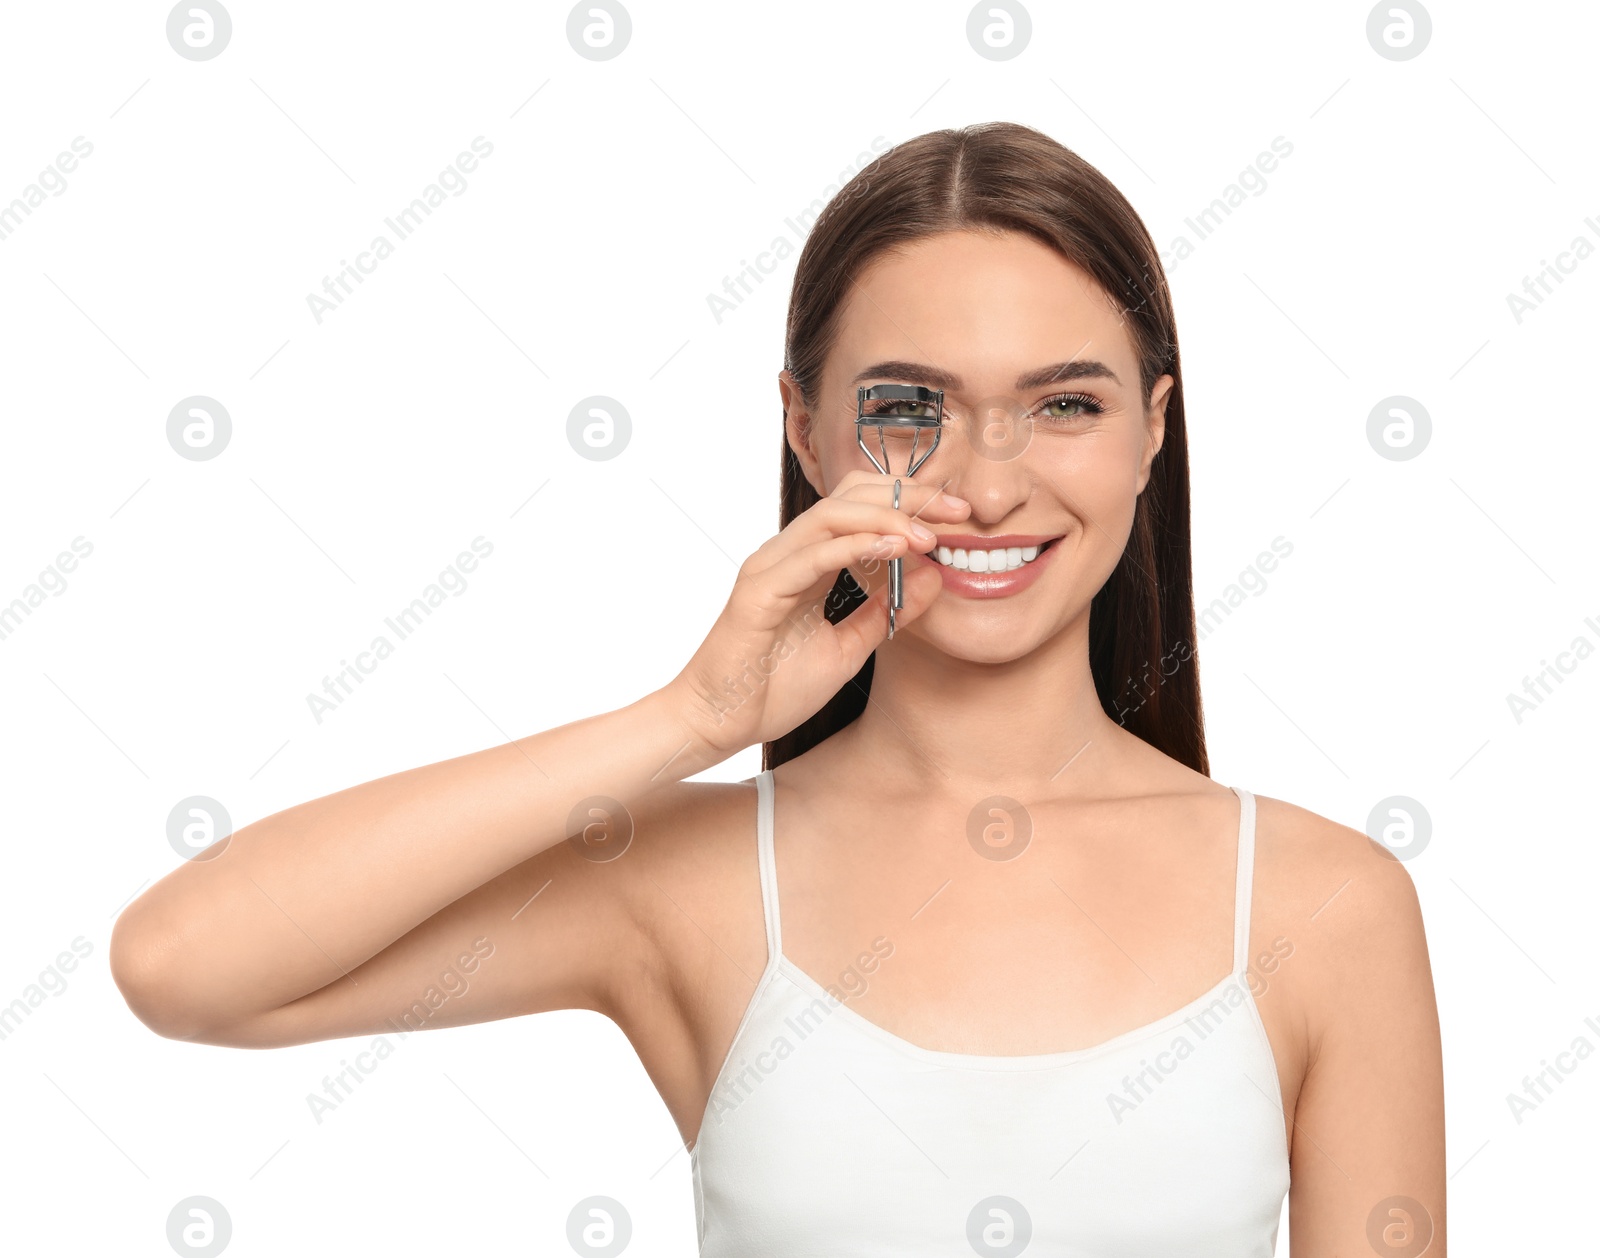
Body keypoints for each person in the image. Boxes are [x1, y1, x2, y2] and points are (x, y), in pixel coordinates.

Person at [110, 121, 1445, 1256]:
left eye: (1066, 405)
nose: (986, 483)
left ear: (1155, 427)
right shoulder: (684, 874)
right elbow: (185, 967)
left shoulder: (1324, 906)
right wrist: (688, 719)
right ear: (804, 428)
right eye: (909, 405)